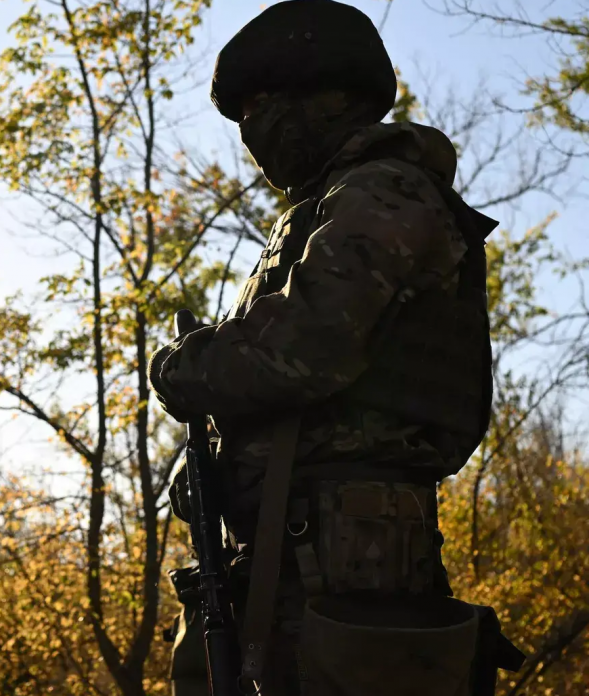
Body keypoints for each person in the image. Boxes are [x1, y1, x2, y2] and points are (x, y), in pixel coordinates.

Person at [148, 2, 522, 695]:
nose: (253, 131)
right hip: (284, 559)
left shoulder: (384, 190)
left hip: (348, 567)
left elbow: (307, 348)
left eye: (262, 105)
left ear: (328, 98)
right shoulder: (327, 206)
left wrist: (184, 369)